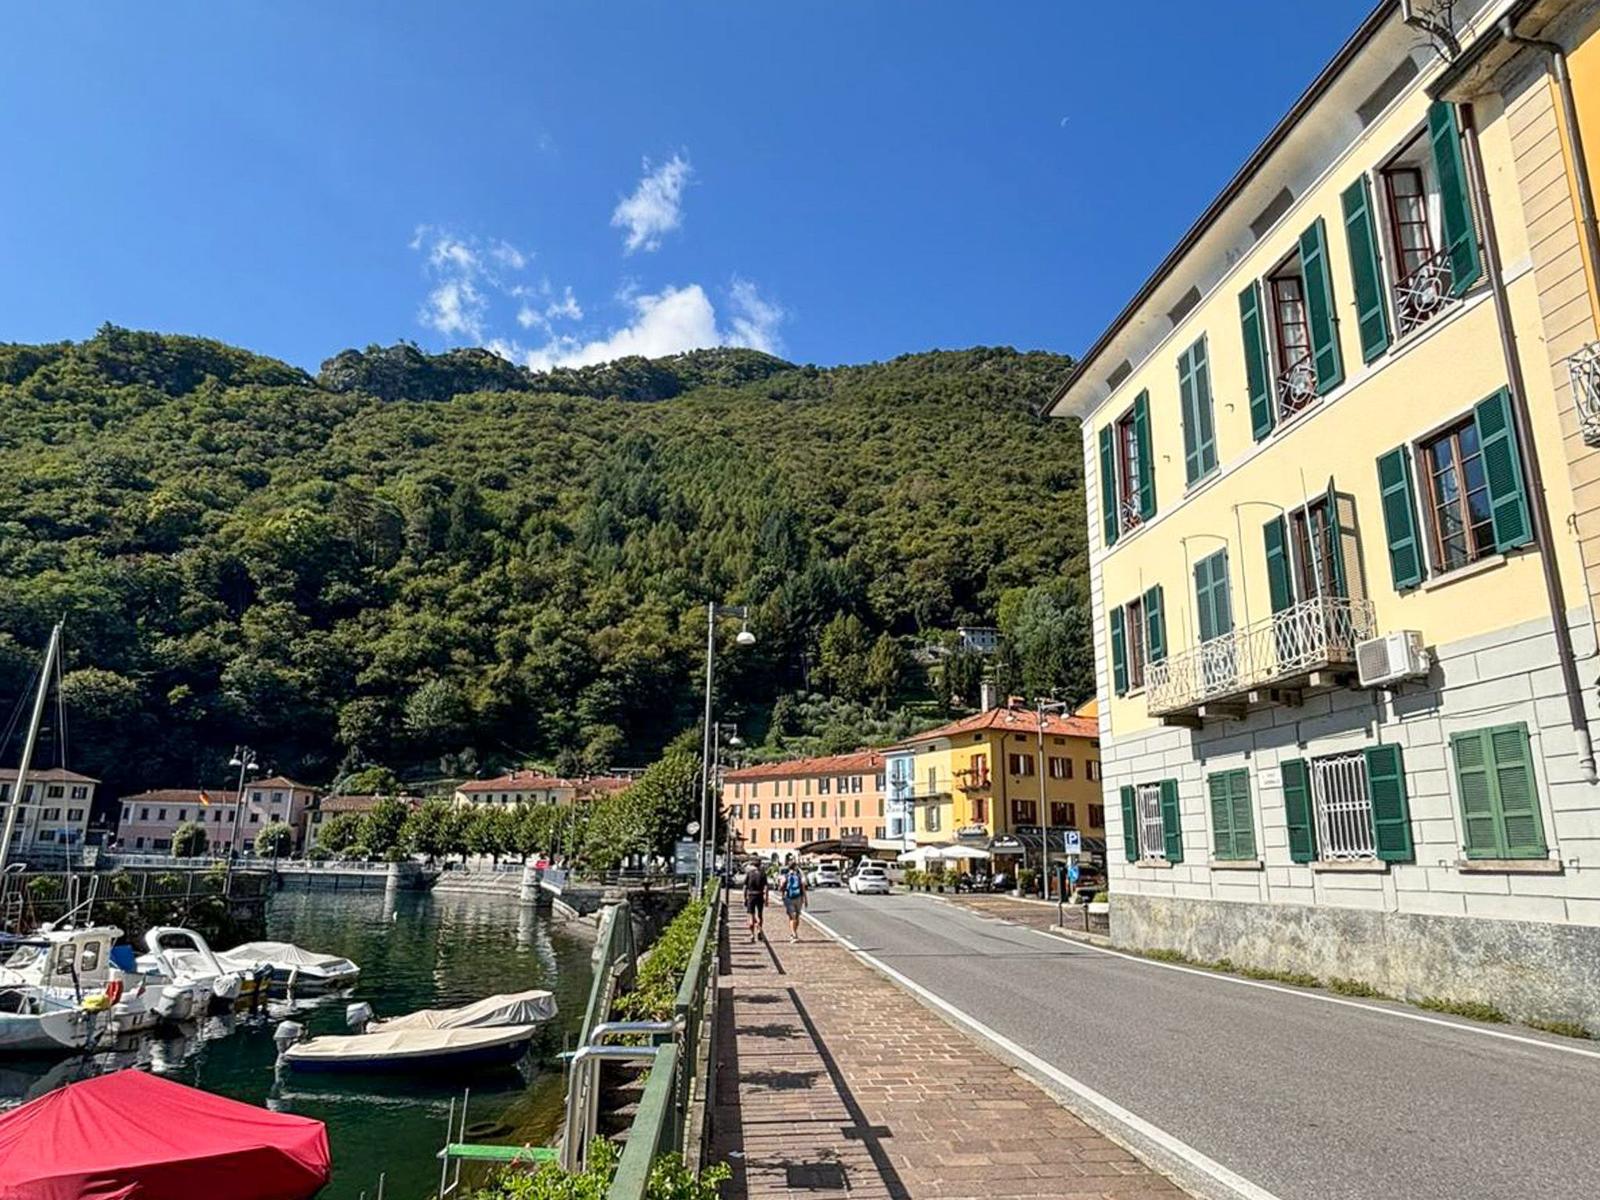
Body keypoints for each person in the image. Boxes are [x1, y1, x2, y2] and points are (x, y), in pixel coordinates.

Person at [780, 856, 807, 944]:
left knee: (792, 917)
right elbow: (803, 887)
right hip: (798, 897)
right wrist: (805, 899)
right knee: (797, 916)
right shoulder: (799, 876)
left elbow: (782, 886)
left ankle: (793, 934)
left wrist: (782, 895)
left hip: (789, 897)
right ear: (795, 867)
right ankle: (794, 933)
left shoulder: (786, 876)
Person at [742, 858, 768, 943]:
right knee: (760, 914)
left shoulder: (749, 874)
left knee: (751, 916)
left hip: (751, 895)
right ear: (760, 865)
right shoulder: (763, 874)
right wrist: (766, 898)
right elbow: (766, 887)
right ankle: (759, 930)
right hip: (760, 895)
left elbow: (745, 887)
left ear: (753, 865)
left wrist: (744, 898)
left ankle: (752, 934)